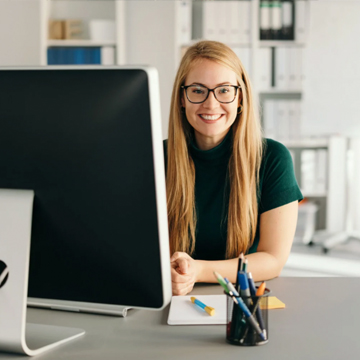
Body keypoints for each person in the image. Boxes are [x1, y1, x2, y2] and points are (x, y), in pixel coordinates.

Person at [164, 40, 303, 296]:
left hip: (243, 301)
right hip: (172, 297)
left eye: (224, 90)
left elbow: (273, 260)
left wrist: (197, 271)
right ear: (182, 98)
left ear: (240, 97)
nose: (211, 103)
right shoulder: (156, 158)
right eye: (197, 90)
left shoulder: (272, 158)